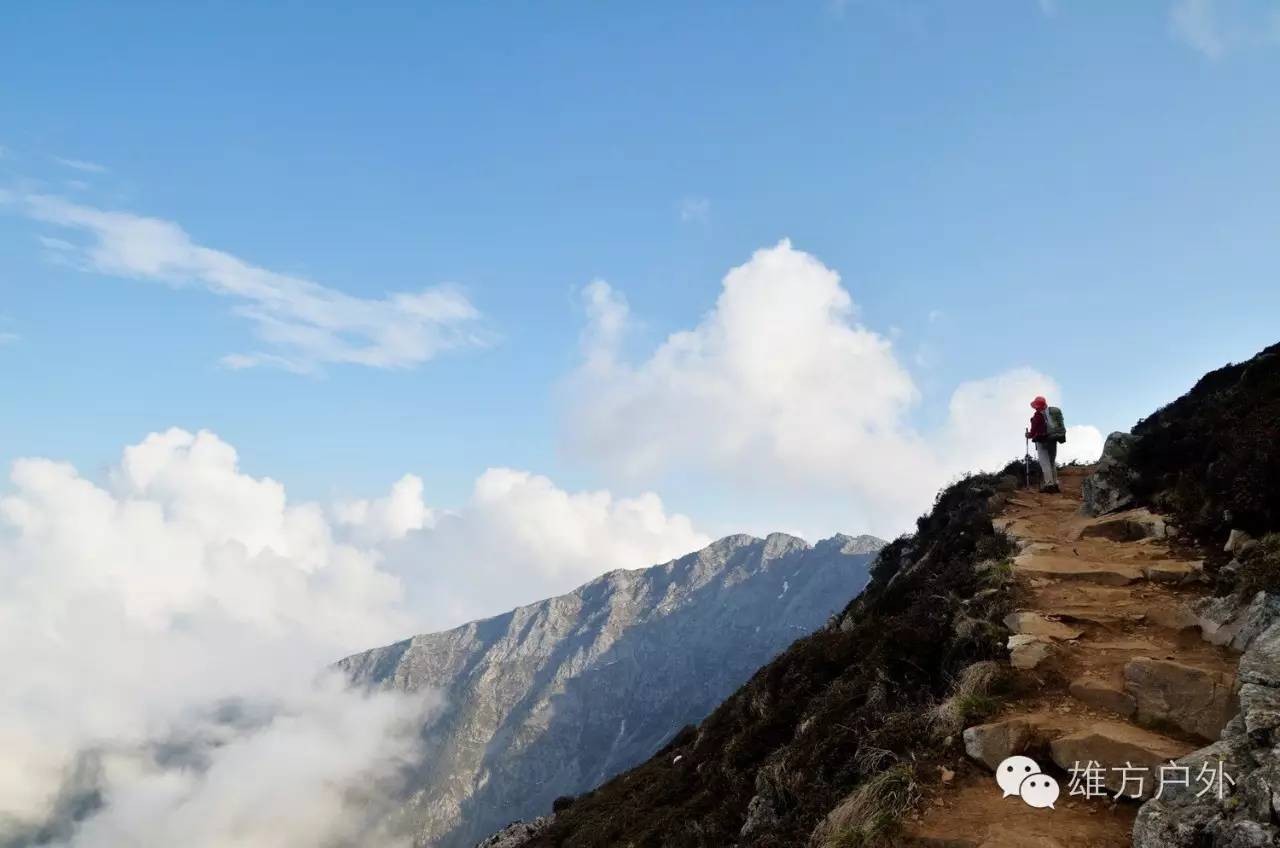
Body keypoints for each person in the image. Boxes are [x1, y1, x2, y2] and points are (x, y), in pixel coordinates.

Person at [1026, 396, 1060, 493]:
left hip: (1042, 441)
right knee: (1052, 463)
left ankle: (1049, 485)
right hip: (1053, 441)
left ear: (1036, 406)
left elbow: (1032, 433)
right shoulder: (1051, 414)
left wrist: (1028, 435)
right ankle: (1055, 484)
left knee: (1045, 463)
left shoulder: (1037, 416)